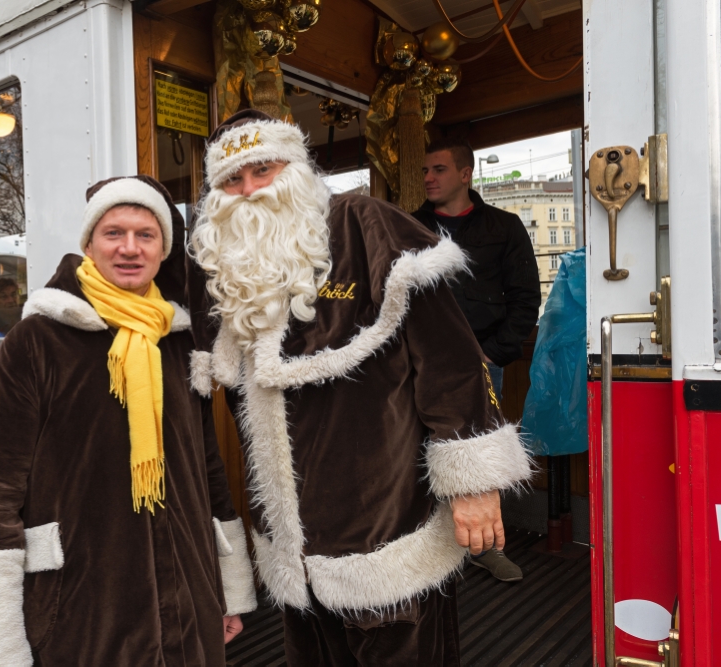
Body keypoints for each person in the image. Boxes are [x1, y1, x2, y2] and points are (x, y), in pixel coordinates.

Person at [187, 110, 532, 666]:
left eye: (262, 169)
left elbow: (449, 356)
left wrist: (473, 482)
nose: (249, 190)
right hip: (293, 548)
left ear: (294, 166)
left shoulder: (364, 225)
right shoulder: (226, 271)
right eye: (233, 179)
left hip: (385, 529)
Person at [0, 176, 257, 666]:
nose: (129, 248)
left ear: (162, 250)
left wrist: (226, 587)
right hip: (82, 609)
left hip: (188, 602)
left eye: (145, 234)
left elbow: (207, 469)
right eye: (114, 233)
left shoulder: (179, 341)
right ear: (89, 244)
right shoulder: (36, 343)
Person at [412, 137, 541, 582]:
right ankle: (426, 548)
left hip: (482, 360)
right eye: (426, 170)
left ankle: (487, 547)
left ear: (465, 174)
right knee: (416, 452)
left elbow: (526, 301)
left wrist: (493, 354)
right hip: (418, 363)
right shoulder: (410, 229)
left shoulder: (504, 228)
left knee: (480, 453)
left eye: (439, 169)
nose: (428, 177)